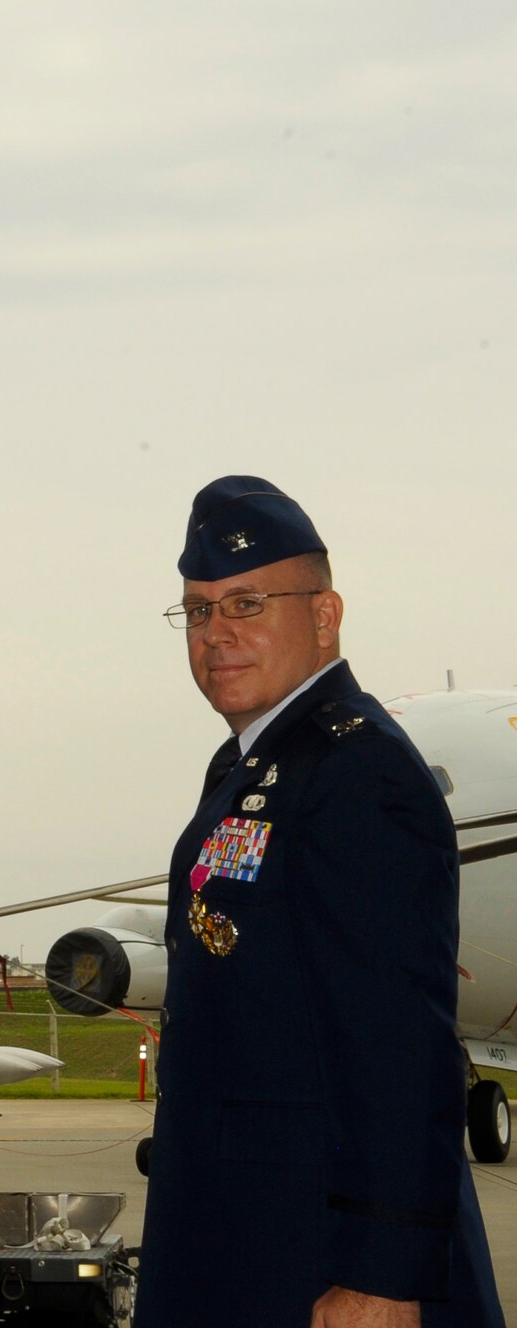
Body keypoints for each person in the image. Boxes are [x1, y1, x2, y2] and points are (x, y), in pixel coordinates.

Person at [137, 475, 502, 1327]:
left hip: (322, 1265)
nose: (216, 635)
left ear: (325, 615)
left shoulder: (357, 772)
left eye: (247, 604)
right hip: (244, 1240)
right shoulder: (247, 772)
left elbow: (397, 1043)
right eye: (197, 612)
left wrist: (384, 1274)